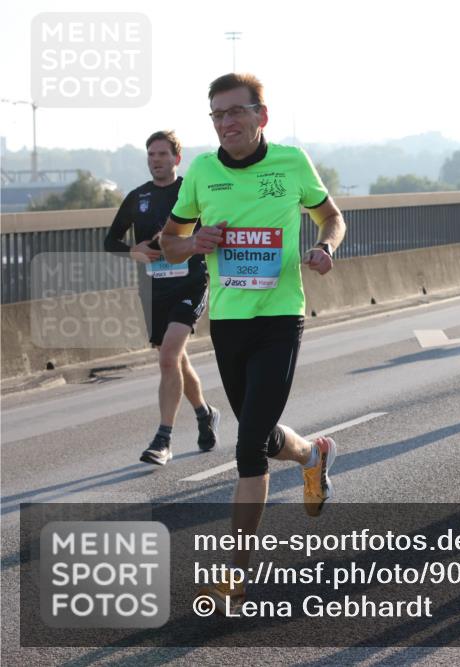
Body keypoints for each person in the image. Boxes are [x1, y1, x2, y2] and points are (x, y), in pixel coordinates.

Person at [159, 73, 346, 611]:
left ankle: (236, 576)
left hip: (280, 319)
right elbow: (168, 244)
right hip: (229, 322)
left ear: (261, 115)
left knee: (246, 450)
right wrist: (194, 241)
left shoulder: (290, 163)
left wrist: (326, 247)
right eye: (216, 115)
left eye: (235, 112)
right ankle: (312, 455)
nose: (226, 123)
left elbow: (331, 216)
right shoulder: (201, 171)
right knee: (260, 438)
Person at [104, 130, 220, 466]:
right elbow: (111, 241)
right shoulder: (137, 197)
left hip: (191, 283)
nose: (157, 160)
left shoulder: (191, 191)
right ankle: (204, 412)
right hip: (155, 289)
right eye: (152, 155)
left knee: (168, 356)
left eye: (163, 155)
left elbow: (212, 228)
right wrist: (133, 251)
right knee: (176, 359)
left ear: (176, 158)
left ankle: (163, 440)